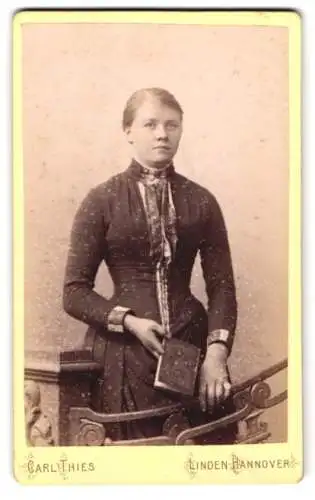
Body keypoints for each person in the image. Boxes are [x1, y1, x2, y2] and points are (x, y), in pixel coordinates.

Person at [63, 87, 238, 443]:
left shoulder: (202, 201)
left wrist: (216, 356)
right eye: (150, 124)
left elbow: (222, 287)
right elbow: (74, 292)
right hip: (124, 357)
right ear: (128, 131)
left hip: (194, 351)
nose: (162, 134)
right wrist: (129, 321)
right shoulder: (102, 200)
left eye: (172, 125)